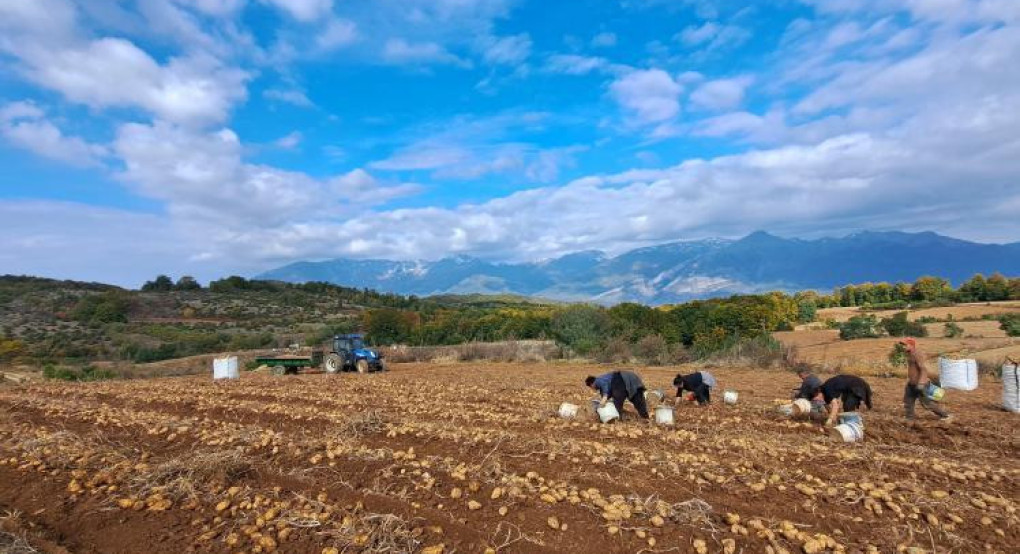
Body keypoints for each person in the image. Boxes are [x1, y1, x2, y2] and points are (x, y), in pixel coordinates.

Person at [899, 338, 951, 422]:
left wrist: (921, 383)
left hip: (920, 384)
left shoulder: (917, 354)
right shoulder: (909, 354)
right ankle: (909, 419)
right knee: (908, 402)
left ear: (911, 345)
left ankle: (946, 415)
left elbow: (923, 369)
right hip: (911, 384)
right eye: (902, 345)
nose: (903, 347)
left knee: (927, 404)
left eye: (905, 345)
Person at [585, 370, 650, 420]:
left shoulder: (598, 381)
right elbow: (605, 396)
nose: (592, 389)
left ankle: (618, 419)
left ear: (592, 384)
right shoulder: (603, 381)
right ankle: (645, 417)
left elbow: (605, 395)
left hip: (620, 378)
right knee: (637, 399)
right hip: (632, 377)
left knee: (617, 400)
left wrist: (600, 406)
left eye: (591, 387)